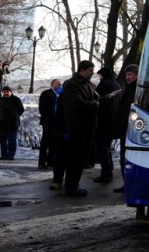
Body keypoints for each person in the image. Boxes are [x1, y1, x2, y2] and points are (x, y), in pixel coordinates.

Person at [61, 60, 99, 196]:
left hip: (87, 126)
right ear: (82, 70)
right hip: (77, 126)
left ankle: (74, 184)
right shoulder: (71, 84)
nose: (92, 73)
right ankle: (71, 186)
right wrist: (94, 105)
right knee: (75, 158)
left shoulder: (87, 85)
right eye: (90, 70)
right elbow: (77, 104)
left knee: (81, 158)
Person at [111, 64, 138, 193]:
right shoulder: (128, 88)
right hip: (125, 129)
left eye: (130, 75)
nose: (127, 77)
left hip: (131, 129)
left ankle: (130, 184)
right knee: (124, 157)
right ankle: (126, 183)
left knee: (129, 157)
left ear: (137, 75)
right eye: (126, 75)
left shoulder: (137, 89)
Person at [93, 67, 120, 183]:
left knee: (101, 147)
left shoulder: (103, 85)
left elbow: (96, 101)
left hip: (103, 121)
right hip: (113, 121)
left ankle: (106, 173)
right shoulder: (117, 85)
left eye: (100, 76)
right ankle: (109, 170)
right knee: (107, 146)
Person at [38, 79, 62, 169]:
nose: (60, 86)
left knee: (54, 142)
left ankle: (51, 162)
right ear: (53, 85)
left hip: (56, 122)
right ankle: (42, 162)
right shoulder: (46, 93)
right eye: (58, 84)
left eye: (61, 84)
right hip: (48, 121)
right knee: (45, 142)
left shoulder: (60, 94)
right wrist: (48, 119)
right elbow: (42, 108)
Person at [0, 86, 25, 160]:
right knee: (3, 140)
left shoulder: (16, 99)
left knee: (12, 140)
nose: (6, 93)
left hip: (13, 123)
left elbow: (21, 109)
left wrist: (15, 115)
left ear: (11, 92)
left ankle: (11, 155)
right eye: (4, 92)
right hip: (3, 123)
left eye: (7, 91)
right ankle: (3, 155)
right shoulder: (0, 100)